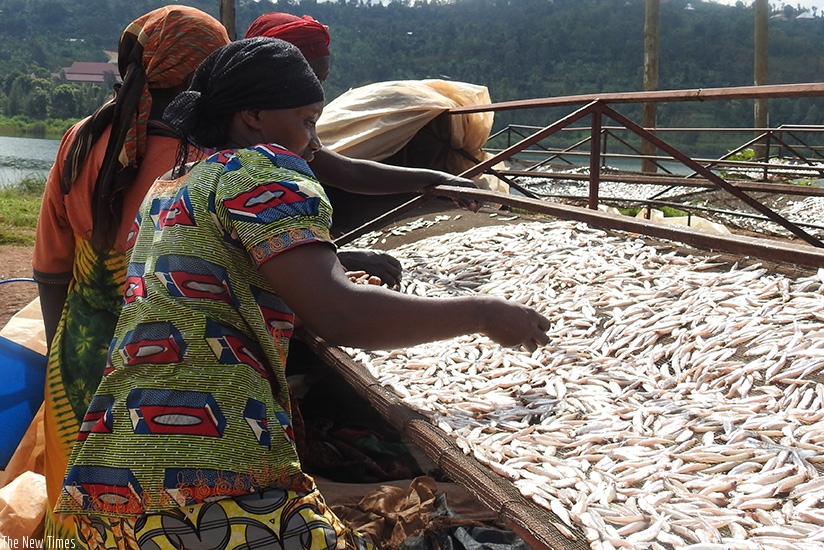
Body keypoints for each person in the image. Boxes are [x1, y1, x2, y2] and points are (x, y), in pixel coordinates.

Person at [54, 37, 550, 549]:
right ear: (253, 116)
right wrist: (483, 313)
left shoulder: (171, 186)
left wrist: (316, 285)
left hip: (116, 464)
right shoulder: (262, 171)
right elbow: (342, 317)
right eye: (308, 120)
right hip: (208, 467)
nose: (314, 141)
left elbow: (216, 287)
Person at [31, 6, 230, 545]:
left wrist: (60, 353)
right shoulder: (208, 160)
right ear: (205, 70)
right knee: (153, 518)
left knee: (74, 506)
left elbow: (51, 269)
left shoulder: (78, 140)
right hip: (166, 372)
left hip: (77, 354)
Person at [246, 12, 483, 287]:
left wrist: (438, 179)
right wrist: (340, 257)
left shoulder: (279, 141)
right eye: (305, 80)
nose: (316, 92)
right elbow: (245, 257)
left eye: (320, 81)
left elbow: (347, 171)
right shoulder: (234, 170)